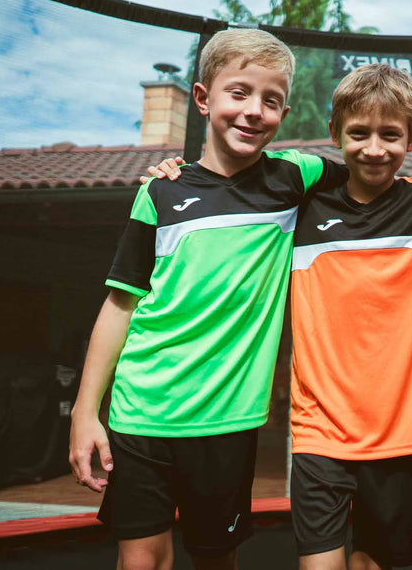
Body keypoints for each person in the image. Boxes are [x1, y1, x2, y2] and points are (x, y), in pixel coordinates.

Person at [145, 63, 412, 570]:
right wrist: (177, 175)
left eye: (390, 135)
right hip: (318, 433)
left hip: (402, 434)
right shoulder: (302, 207)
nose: (373, 148)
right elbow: (230, 180)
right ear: (336, 134)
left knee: (372, 563)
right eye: (358, 133)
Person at [68, 28, 347, 570]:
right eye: (238, 93)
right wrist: (85, 412)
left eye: (271, 100)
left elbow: (375, 168)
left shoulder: (295, 176)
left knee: (216, 558)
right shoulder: (160, 191)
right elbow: (121, 306)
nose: (254, 110)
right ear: (202, 98)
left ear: (284, 113)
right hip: (141, 409)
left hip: (227, 421)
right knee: (141, 561)